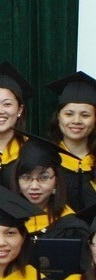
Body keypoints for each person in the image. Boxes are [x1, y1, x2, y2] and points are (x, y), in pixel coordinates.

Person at [12, 132, 89, 242]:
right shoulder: (7, 223)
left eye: (43, 178)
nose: (34, 186)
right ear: (17, 180)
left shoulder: (72, 229)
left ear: (56, 181)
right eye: (26, 177)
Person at [47, 71, 96, 211]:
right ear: (58, 117)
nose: (76, 121)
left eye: (85, 115)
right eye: (69, 114)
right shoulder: (45, 160)